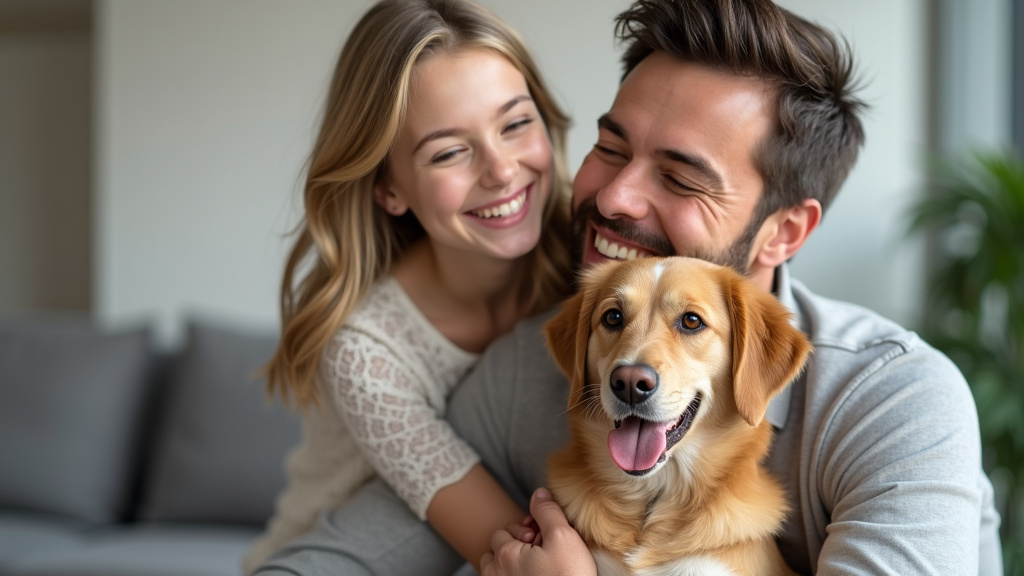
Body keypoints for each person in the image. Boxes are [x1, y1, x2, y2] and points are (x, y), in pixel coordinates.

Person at [253, 0, 1005, 574]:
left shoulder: (896, 403)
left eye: (679, 177)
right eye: (612, 148)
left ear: (783, 233)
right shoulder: (533, 366)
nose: (614, 197)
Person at [240, 0, 575, 573]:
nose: (500, 170)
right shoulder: (365, 350)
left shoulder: (587, 260)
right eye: (449, 152)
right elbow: (510, 547)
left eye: (516, 123)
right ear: (388, 188)